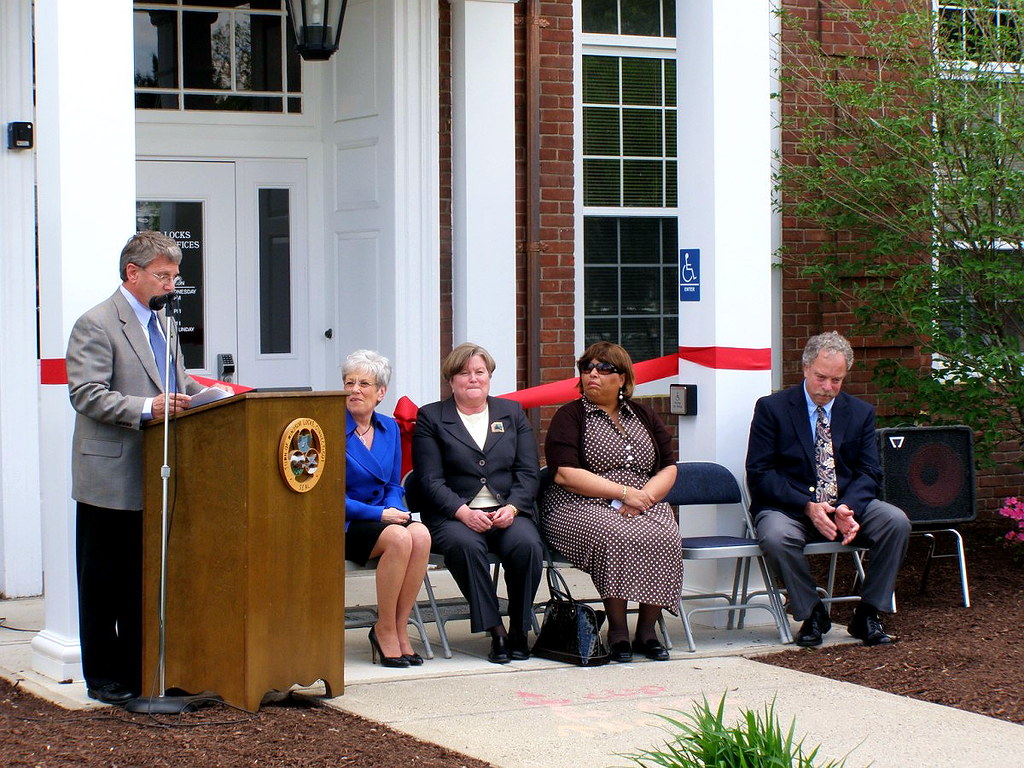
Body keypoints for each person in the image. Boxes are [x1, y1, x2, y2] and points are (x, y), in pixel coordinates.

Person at [66, 231, 205, 705]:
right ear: (133, 273)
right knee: (105, 582)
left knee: (144, 580)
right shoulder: (97, 323)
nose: (172, 285)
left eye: (174, 277)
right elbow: (85, 393)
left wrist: (206, 396)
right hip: (111, 476)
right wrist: (148, 407)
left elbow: (178, 381)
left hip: (161, 472)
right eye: (163, 276)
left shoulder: (164, 325)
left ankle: (144, 668)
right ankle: (105, 679)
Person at [745, 331, 911, 647]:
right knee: (776, 536)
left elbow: (869, 472)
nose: (828, 388)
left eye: (837, 380)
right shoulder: (773, 409)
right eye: (822, 378)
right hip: (791, 508)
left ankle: (867, 613)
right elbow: (760, 474)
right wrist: (808, 505)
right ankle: (813, 613)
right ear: (805, 368)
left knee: (896, 521)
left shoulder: (859, 412)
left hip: (844, 506)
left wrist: (849, 507)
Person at [542, 341, 680, 663]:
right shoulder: (570, 416)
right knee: (615, 534)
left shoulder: (643, 413)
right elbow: (564, 474)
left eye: (604, 369)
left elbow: (669, 466)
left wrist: (644, 498)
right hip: (578, 503)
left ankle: (647, 631)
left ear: (622, 379)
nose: (593, 374)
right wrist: (621, 493)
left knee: (666, 534)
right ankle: (617, 630)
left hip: (642, 499)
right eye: (587, 368)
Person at [411, 343, 543, 664]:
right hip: (453, 516)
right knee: (467, 547)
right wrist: (463, 512)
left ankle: (519, 629)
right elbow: (429, 480)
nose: (473, 379)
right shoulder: (431, 417)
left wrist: (512, 508)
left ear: (489, 377)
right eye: (464, 373)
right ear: (451, 380)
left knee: (527, 545)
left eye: (479, 372)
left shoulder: (511, 413)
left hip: (507, 512)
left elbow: (528, 472)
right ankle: (496, 630)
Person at [342, 350, 432, 668]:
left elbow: (394, 485)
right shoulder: (327, 427)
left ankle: (398, 625)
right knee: (398, 538)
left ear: (381, 392)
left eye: (364, 383)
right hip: (347, 523)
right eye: (349, 382)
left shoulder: (389, 428)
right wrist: (381, 515)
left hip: (382, 518)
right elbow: (327, 497)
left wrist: (395, 509)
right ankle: (384, 628)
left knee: (419, 534)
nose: (354, 390)